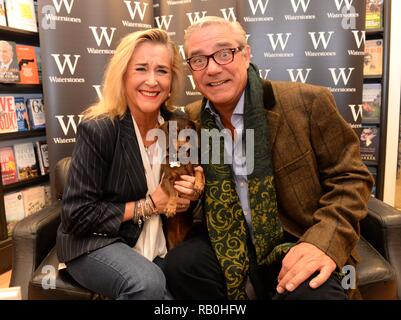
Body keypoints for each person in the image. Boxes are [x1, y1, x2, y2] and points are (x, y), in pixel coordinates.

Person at [163, 16, 374, 300]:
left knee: (312, 293)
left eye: (224, 54)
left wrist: (322, 243)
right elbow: (191, 192)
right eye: (199, 60)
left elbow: (351, 179)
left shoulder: (307, 102)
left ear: (246, 53)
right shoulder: (193, 119)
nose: (212, 68)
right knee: (180, 267)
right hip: (228, 237)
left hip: (296, 235)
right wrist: (192, 191)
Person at [56, 28, 202, 300]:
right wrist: (148, 205)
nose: (152, 81)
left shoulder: (179, 125)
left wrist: (191, 191)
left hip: (159, 245)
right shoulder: (99, 128)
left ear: (172, 81)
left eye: (162, 71)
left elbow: (183, 196)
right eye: (141, 69)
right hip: (96, 243)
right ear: (123, 75)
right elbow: (77, 215)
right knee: (147, 283)